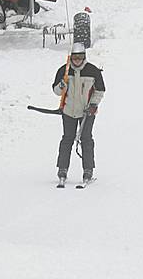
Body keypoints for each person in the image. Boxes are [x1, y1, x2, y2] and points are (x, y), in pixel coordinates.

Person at [52, 41, 105, 184]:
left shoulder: (92, 71)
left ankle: (88, 169)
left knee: (86, 139)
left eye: (80, 57)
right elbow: (56, 91)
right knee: (67, 139)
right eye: (75, 58)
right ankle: (62, 168)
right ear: (71, 57)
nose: (77, 61)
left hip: (87, 112)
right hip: (68, 111)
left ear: (84, 56)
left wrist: (93, 105)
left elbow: (100, 90)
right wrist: (61, 86)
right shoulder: (64, 70)